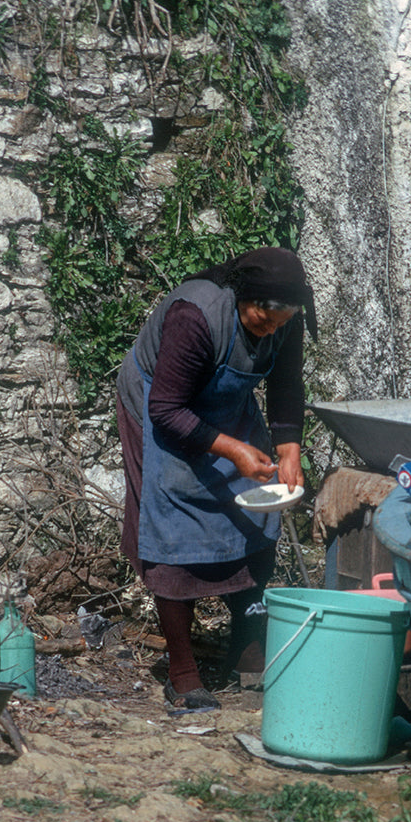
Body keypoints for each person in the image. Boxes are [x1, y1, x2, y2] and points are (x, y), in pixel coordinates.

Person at [116, 247, 316, 709]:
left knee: (256, 512)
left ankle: (247, 651)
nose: (271, 330)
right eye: (262, 321)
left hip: (225, 407)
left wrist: (289, 452)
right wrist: (232, 449)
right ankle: (183, 672)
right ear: (243, 298)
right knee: (172, 523)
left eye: (279, 323)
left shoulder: (285, 315)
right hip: (158, 406)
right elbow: (167, 410)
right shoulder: (196, 315)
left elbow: (286, 385)